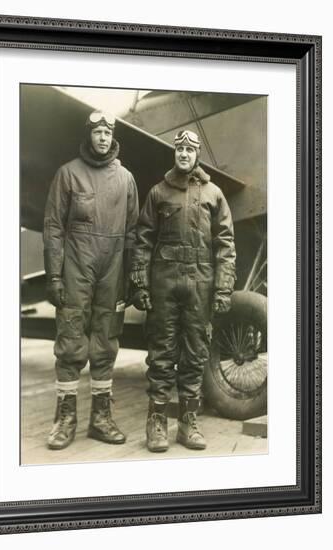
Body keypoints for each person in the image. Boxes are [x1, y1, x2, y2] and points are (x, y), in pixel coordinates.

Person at [130, 129, 236, 453]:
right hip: (165, 284)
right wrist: (140, 283)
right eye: (180, 150)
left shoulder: (214, 195)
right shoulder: (159, 193)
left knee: (195, 354)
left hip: (200, 285)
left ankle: (188, 423)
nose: (184, 154)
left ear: (198, 154)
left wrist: (223, 289)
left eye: (190, 150)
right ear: (174, 154)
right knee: (161, 354)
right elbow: (143, 240)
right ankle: (157, 422)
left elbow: (226, 245)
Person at [43, 110, 139, 450]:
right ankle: (65, 419)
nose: (102, 137)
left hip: (111, 272)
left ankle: (101, 418)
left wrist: (131, 276)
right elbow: (54, 228)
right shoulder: (68, 174)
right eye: (97, 131)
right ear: (89, 135)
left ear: (113, 137)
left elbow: (132, 233)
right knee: (70, 341)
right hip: (75, 270)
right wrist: (55, 274)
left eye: (107, 132)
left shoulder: (126, 179)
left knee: (106, 340)